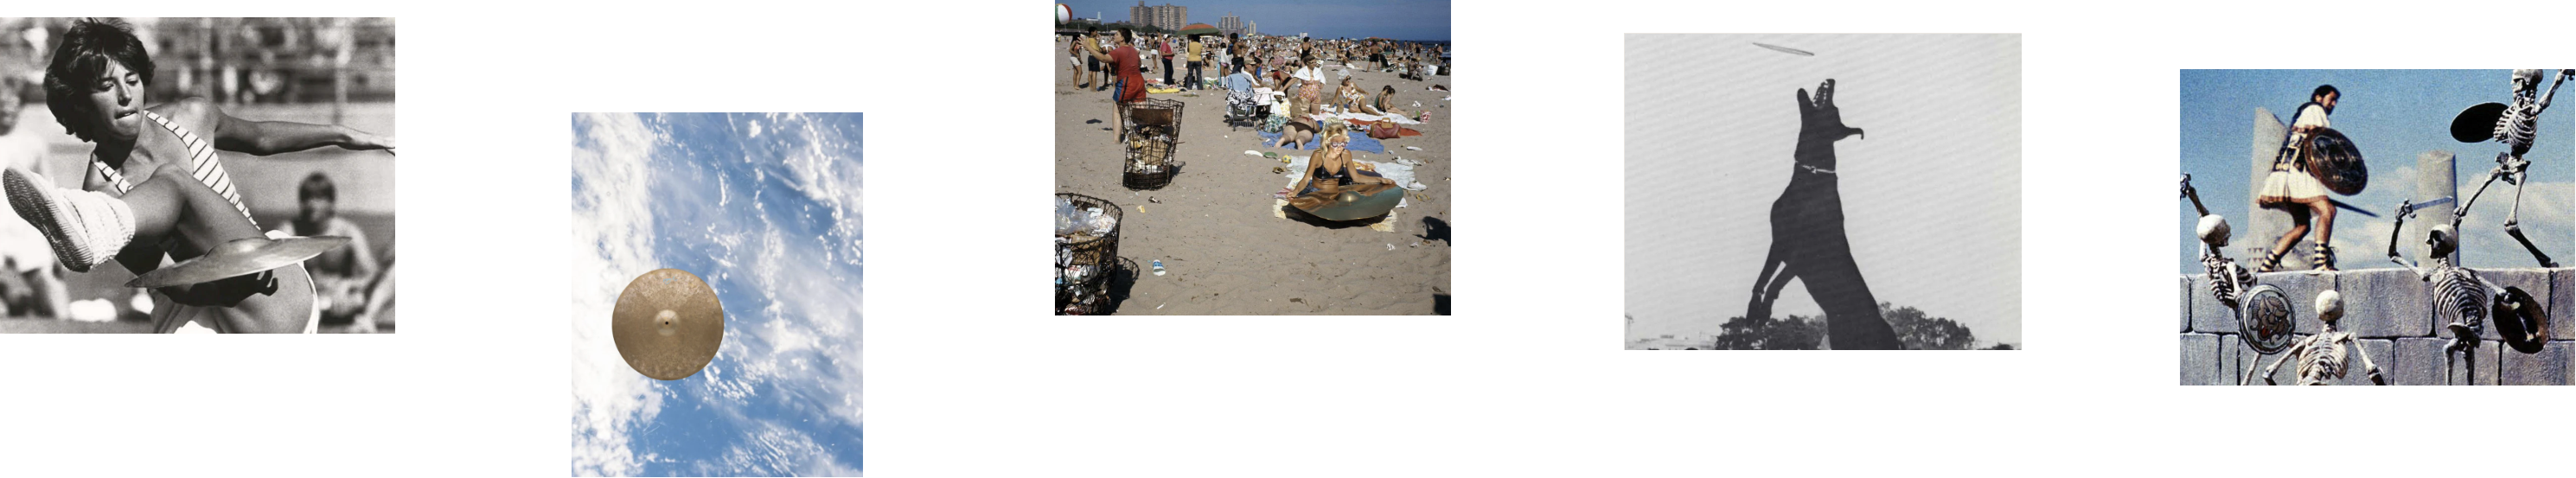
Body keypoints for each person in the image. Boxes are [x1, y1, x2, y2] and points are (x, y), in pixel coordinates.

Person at [6, 18, 393, 333]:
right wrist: (221, 287)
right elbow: (170, 283)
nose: (126, 95)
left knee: (172, 180)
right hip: (206, 310)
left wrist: (343, 135)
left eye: (132, 80)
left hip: (271, 295)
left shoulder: (190, 116)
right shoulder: (102, 189)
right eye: (107, 86)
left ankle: (90, 222)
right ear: (79, 104)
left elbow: (261, 137)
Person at [0, 75, 69, 318]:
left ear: (20, 106)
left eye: (13, 104)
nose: (7, 109)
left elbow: (48, 193)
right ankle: (11, 298)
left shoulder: (33, 144)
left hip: (25, 228)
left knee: (60, 312)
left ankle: (23, 301)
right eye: (2, 103)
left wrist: (57, 242)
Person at [2254, 85, 2341, 271]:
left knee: (2302, 226)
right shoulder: (2316, 109)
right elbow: (2321, 139)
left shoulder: (2304, 113)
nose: (2334, 104)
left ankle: (2266, 267)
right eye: (2331, 99)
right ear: (2319, 97)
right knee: (2328, 211)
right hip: (2297, 173)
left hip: (2284, 173)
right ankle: (2321, 263)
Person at [284, 172, 377, 328]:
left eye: (319, 198)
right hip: (306, 299)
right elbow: (270, 268)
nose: (312, 204)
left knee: (361, 298)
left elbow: (372, 274)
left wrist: (347, 284)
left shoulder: (347, 232)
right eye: (307, 198)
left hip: (338, 300)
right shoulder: (291, 230)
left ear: (331, 202)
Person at [1275, 124, 1396, 210]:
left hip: (1337, 192)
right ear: (1328, 142)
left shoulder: (1346, 154)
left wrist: (1380, 180)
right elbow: (1306, 179)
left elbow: (1357, 177)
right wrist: (1295, 192)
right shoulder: (1318, 155)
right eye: (1336, 144)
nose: (1340, 147)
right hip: (1318, 193)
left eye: (1343, 143)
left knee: (1371, 191)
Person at [1106, 30, 1147, 143]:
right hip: (1139, 81)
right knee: (1140, 110)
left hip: (1126, 82)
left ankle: (1116, 139)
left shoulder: (1119, 50)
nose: (1114, 36)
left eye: (1117, 34)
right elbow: (1139, 64)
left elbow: (1103, 59)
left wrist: (1088, 47)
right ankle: (1142, 136)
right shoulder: (1133, 50)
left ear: (1122, 38)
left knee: (1117, 109)